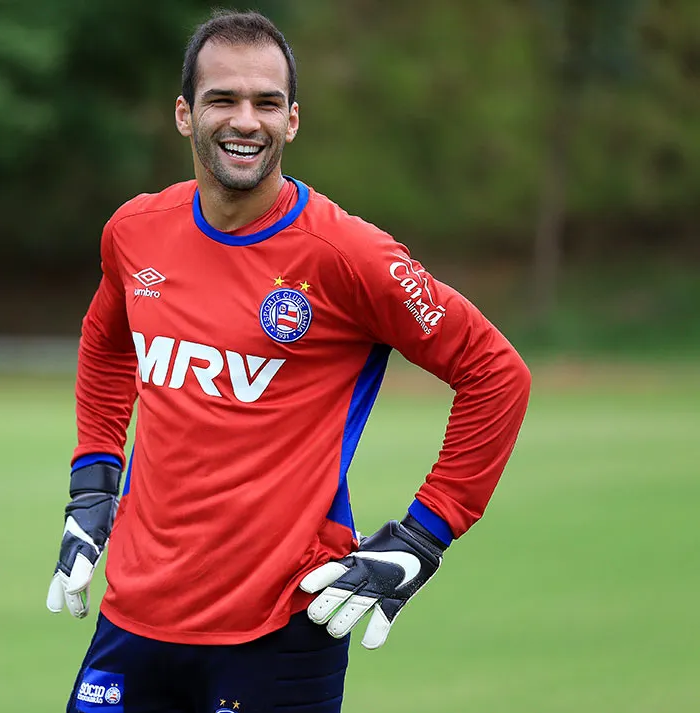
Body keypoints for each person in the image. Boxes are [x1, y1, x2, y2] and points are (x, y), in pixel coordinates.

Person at [47, 10, 531, 713]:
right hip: (133, 617)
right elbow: (106, 343)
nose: (246, 120)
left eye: (266, 103)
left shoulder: (348, 256)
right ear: (184, 114)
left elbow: (495, 373)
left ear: (292, 120)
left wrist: (426, 534)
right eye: (223, 99)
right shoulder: (135, 232)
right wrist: (94, 485)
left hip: (281, 628)